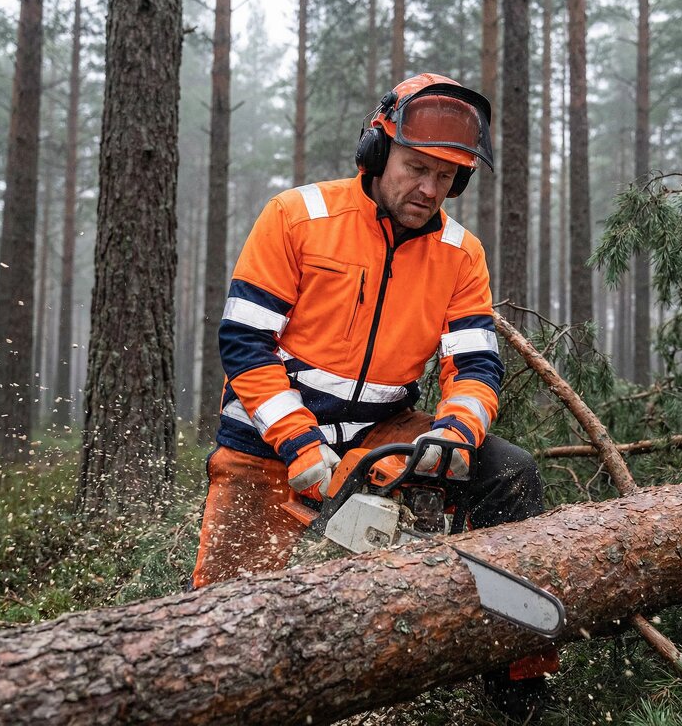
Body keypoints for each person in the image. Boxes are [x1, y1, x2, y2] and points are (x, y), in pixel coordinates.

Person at [191, 72, 557, 718]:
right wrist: (298, 443)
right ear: (377, 150)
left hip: (379, 434)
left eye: (446, 177)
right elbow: (245, 343)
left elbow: (474, 364)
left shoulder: (460, 254)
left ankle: (517, 685)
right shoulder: (299, 217)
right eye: (417, 168)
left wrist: (455, 432)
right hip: (266, 442)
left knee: (509, 473)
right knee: (224, 624)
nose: (429, 189)